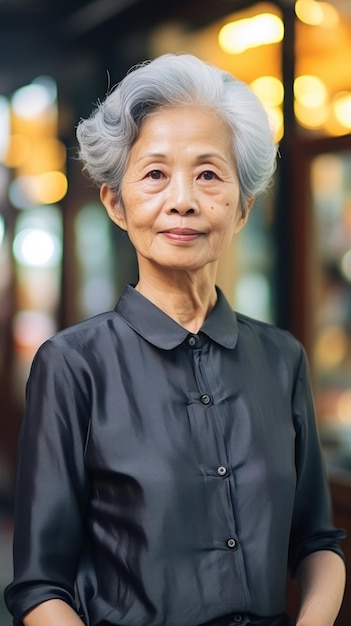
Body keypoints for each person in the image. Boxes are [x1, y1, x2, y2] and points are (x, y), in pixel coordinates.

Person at [5, 53, 346, 626]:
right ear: (116, 203)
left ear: (243, 208)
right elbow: (41, 588)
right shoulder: (72, 365)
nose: (183, 200)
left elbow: (316, 543)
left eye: (209, 174)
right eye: (155, 174)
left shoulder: (282, 358)